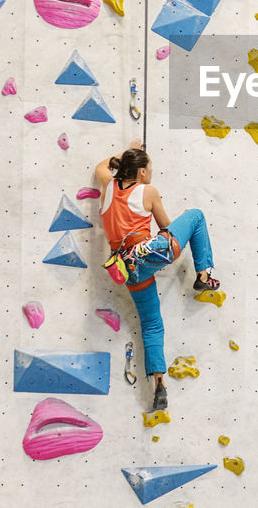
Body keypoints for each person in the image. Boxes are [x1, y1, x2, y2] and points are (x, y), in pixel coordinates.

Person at [95, 140, 220, 412]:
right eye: (149, 168)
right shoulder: (147, 191)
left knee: (152, 325)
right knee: (196, 216)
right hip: (150, 255)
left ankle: (159, 385)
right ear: (141, 172)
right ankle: (204, 273)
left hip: (126, 269)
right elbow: (166, 227)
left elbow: (100, 167)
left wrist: (128, 150)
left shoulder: (107, 189)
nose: (151, 173)